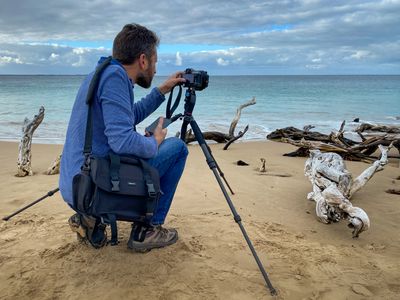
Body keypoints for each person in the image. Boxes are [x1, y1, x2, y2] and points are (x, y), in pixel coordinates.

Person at [59, 23, 188, 252]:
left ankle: (89, 219)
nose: (155, 70)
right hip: (92, 185)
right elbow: (122, 142)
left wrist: (162, 91)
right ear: (143, 60)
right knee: (177, 147)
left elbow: (128, 117)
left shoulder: (102, 72)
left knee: (150, 146)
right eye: (155, 62)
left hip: (75, 182)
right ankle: (148, 230)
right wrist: (154, 141)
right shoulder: (115, 78)